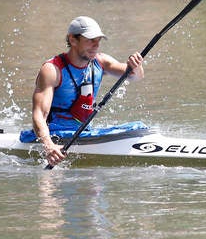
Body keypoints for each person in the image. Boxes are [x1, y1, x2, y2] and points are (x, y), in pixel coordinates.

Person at [29, 16, 145, 167]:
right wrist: (48, 145)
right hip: (56, 135)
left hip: (83, 133)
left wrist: (136, 66)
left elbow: (135, 77)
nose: (96, 46)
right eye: (90, 40)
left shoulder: (101, 62)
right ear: (73, 40)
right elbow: (39, 114)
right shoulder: (52, 70)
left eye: (98, 40)